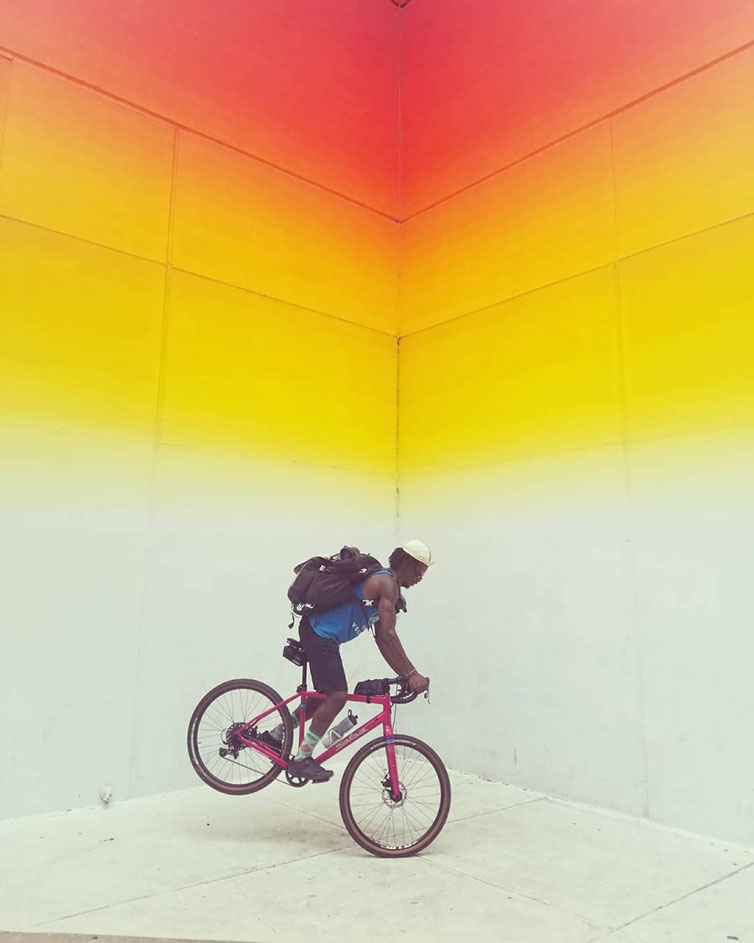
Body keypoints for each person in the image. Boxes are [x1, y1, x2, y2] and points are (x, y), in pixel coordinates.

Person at [261, 539, 433, 782]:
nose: (420, 578)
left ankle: (275, 735)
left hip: (320, 634)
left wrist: (407, 673)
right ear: (406, 563)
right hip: (320, 635)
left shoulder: (388, 587)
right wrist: (412, 674)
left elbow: (383, 641)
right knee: (338, 696)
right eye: (419, 571)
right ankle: (301, 759)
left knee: (323, 699)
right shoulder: (387, 583)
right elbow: (388, 635)